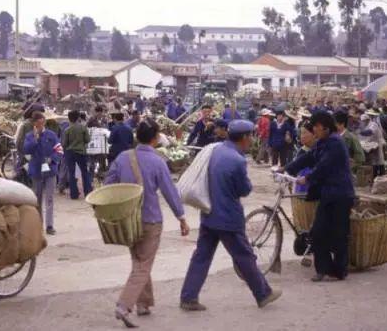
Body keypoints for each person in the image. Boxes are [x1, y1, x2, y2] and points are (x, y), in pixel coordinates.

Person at [180, 120, 281, 311]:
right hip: (228, 218)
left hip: (209, 214)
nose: (252, 140)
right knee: (244, 256)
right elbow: (244, 190)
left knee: (201, 256)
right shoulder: (237, 160)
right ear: (244, 137)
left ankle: (188, 296)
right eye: (251, 136)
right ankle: (263, 293)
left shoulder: (216, 150)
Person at [105, 119, 190, 328]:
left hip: (128, 220)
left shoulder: (123, 158)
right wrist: (181, 217)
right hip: (151, 219)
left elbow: (108, 185)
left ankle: (144, 304)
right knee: (143, 265)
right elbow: (170, 191)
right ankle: (124, 305)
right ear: (155, 138)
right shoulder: (158, 161)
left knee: (139, 262)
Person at [286, 111, 355, 281]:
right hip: (328, 194)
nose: (314, 130)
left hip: (340, 194)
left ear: (325, 126)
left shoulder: (335, 143)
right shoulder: (323, 142)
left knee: (339, 233)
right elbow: (309, 158)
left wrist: (307, 178)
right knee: (318, 231)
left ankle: (339, 270)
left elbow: (324, 166)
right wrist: (287, 168)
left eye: (316, 127)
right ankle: (323, 269)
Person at [24, 111, 63, 235]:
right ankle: (37, 224)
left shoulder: (51, 135)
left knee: (50, 198)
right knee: (37, 199)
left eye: (42, 123)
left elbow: (59, 150)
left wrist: (52, 158)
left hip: (50, 170)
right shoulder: (30, 136)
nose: (40, 126)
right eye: (38, 124)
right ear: (34, 124)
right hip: (36, 170)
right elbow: (26, 150)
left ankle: (50, 225)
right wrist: (35, 140)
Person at [62, 110, 93, 200]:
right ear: (78, 117)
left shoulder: (67, 130)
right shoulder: (83, 128)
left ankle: (74, 194)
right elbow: (87, 140)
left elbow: (64, 143)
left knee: (71, 173)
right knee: (85, 172)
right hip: (81, 152)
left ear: (69, 118)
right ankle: (87, 192)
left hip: (70, 153)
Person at [359, 113, 386, 178]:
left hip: (378, 143)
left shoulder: (373, 124)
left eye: (364, 121)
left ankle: (382, 174)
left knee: (379, 160)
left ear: (367, 120)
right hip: (372, 144)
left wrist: (359, 132)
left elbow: (369, 132)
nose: (363, 122)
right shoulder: (365, 126)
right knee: (374, 161)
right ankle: (375, 175)